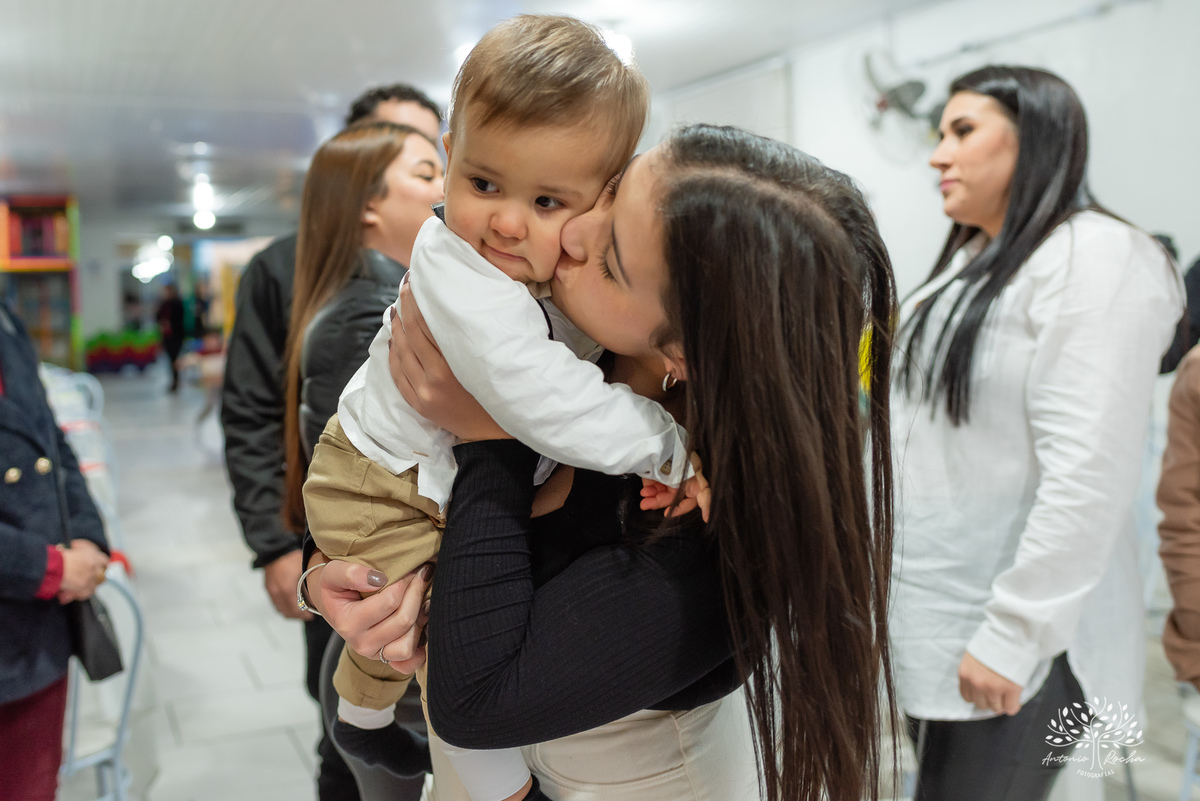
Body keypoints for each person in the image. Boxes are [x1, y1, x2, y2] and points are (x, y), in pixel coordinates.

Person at [304, 122, 899, 801]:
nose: (572, 233)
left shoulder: (700, 531)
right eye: (606, 197)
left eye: (612, 260)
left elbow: (474, 701)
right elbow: (375, 448)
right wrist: (325, 574)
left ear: (685, 354)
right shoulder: (549, 341)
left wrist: (489, 439)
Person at [303, 18, 700, 800]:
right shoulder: (464, 273)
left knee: (417, 620)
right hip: (383, 477)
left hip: (416, 476)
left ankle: (361, 715)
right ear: (450, 157)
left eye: (550, 201)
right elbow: (538, 399)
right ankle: (461, 769)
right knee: (424, 639)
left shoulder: (573, 305)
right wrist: (669, 447)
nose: (508, 222)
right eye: (483, 185)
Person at [889, 65, 1183, 801]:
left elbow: (1089, 471)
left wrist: (1012, 634)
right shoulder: (966, 266)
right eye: (940, 133)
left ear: (1038, 142)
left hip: (1028, 642)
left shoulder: (1097, 258)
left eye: (963, 131)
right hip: (943, 619)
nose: (938, 154)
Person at [219, 84, 442, 801]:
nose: (445, 184)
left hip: (370, 555)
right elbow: (254, 412)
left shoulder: (430, 275)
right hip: (362, 556)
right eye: (423, 168)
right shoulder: (326, 291)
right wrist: (279, 545)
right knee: (359, 742)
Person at [0, 301, 110, 801]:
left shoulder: (6, 314)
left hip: (33, 636)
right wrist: (48, 567)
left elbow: (50, 437)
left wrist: (86, 536)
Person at [156, 282, 186, 392]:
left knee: (176, 358)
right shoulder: (163, 304)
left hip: (176, 335)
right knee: (170, 359)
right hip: (167, 335)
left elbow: (180, 319)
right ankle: (174, 380)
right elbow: (158, 317)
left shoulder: (177, 303)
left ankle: (177, 380)